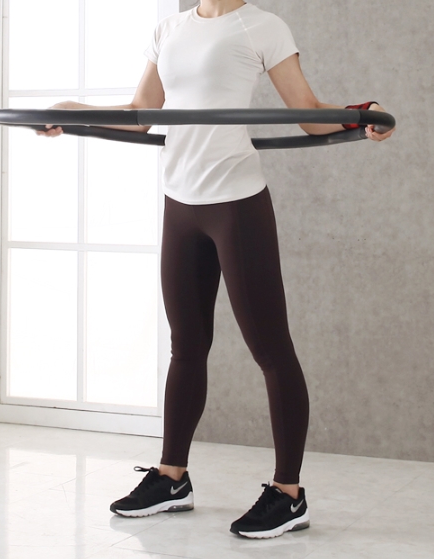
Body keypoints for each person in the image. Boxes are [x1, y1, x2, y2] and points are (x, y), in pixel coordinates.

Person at [39, 0, 394, 539]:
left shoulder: (262, 26)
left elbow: (306, 112)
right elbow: (142, 114)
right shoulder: (169, 29)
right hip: (179, 201)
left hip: (236, 201)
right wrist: (72, 111)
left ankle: (289, 494)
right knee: (186, 345)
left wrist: (362, 116)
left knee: (271, 349)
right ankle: (172, 479)